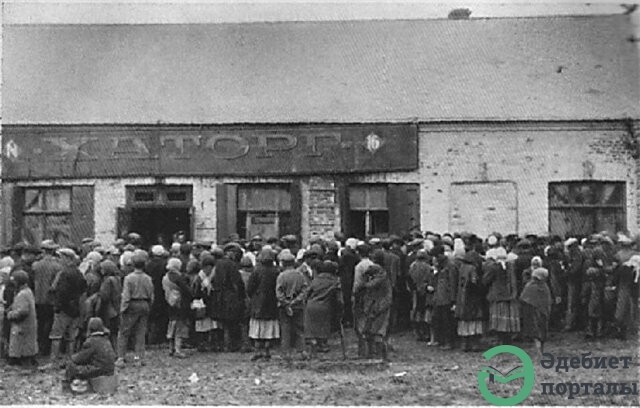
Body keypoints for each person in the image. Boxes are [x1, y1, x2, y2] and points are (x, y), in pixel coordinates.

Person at [47, 248, 87, 369]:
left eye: (61, 257)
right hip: (75, 308)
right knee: (71, 337)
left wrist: (58, 306)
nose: (59, 260)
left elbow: (61, 292)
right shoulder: (78, 272)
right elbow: (83, 290)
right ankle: (70, 360)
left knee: (56, 336)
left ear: (67, 258)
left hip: (63, 309)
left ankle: (53, 361)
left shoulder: (64, 273)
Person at [116, 251, 154, 367]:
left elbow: (126, 295)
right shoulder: (148, 278)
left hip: (132, 304)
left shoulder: (129, 278)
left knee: (124, 332)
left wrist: (123, 308)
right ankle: (138, 358)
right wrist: (149, 305)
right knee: (140, 333)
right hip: (144, 304)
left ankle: (121, 358)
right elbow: (151, 294)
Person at [355, 249, 393, 360]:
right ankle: (371, 353)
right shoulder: (381, 273)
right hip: (374, 305)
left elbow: (372, 284)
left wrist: (363, 285)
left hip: (380, 305)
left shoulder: (381, 274)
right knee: (369, 331)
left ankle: (380, 355)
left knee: (378, 332)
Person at [62, 317, 116, 392]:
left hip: (99, 370)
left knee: (71, 365)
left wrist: (70, 359)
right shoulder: (106, 339)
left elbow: (79, 358)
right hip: (109, 370)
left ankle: (69, 389)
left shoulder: (91, 341)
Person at [303, 260, 343, 358]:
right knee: (323, 326)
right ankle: (323, 344)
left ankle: (314, 345)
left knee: (312, 327)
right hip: (325, 306)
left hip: (311, 305)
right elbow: (339, 299)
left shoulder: (316, 280)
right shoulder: (335, 281)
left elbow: (307, 293)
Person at [246, 248, 280, 361]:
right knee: (269, 328)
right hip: (271, 303)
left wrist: (253, 296)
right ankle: (266, 351)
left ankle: (257, 351)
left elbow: (250, 288)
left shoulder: (256, 271)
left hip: (258, 303)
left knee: (257, 328)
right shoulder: (276, 271)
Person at [211, 245, 246, 352]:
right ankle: (230, 344)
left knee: (224, 323)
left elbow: (213, 280)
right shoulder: (232, 265)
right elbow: (238, 282)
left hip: (219, 296)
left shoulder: (218, 264)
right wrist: (242, 295)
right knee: (232, 322)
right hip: (231, 296)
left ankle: (224, 344)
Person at [482, 247, 520, 345]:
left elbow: (485, 281)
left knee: (499, 320)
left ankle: (501, 339)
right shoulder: (511, 266)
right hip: (510, 296)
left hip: (497, 296)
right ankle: (508, 339)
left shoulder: (494, 267)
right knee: (507, 319)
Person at [276, 249, 309, 362]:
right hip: (298, 305)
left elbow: (279, 292)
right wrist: (296, 301)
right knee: (299, 328)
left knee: (285, 329)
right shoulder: (300, 275)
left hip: (284, 307)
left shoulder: (281, 276)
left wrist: (286, 303)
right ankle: (301, 351)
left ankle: (286, 353)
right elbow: (304, 290)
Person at [32, 240, 62, 357]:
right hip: (50, 299)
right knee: (49, 323)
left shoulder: (36, 265)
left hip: (37, 298)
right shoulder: (57, 266)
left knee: (39, 323)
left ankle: (39, 346)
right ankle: (46, 348)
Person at [455, 251, 487, 352]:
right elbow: (474, 283)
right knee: (473, 319)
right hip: (471, 297)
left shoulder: (462, 267)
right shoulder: (472, 269)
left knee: (463, 320)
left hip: (461, 296)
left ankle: (464, 344)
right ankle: (474, 344)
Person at [6, 270, 38, 367]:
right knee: (27, 350)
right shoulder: (28, 291)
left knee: (22, 351)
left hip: (22, 327)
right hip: (28, 326)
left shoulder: (22, 294)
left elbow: (23, 311)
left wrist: (10, 314)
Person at [162, 258, 193, 358]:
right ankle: (178, 349)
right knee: (179, 326)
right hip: (180, 303)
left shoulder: (166, 277)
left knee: (171, 324)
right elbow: (186, 290)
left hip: (170, 302)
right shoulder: (178, 277)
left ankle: (171, 348)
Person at [519, 267, 552, 358]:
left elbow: (523, 298)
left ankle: (539, 352)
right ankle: (540, 351)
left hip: (533, 313)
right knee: (541, 332)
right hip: (541, 313)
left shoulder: (530, 286)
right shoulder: (545, 287)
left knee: (536, 333)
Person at [432, 245, 458, 350]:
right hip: (439, 298)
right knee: (439, 320)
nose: (435, 259)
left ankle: (449, 342)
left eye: (436, 256)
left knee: (447, 321)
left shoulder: (450, 266)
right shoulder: (440, 266)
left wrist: (453, 300)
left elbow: (453, 283)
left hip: (447, 298)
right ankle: (442, 340)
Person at [192, 254, 220, 352]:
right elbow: (195, 292)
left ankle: (212, 343)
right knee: (201, 325)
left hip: (211, 304)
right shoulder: (199, 278)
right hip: (202, 303)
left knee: (212, 325)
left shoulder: (213, 276)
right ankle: (202, 344)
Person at [352, 243, 374, 357]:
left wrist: (354, 294)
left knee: (360, 322)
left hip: (361, 294)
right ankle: (370, 349)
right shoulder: (372, 264)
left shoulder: (359, 266)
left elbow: (358, 283)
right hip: (371, 294)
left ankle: (363, 351)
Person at [407, 249, 433, 342]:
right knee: (424, 311)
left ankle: (417, 332)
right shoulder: (428, 267)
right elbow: (430, 279)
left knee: (416, 310)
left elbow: (409, 278)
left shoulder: (412, 266)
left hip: (415, 290)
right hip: (425, 290)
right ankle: (424, 332)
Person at [146, 245, 169, 345]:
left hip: (151, 290)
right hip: (162, 291)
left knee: (151, 316)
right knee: (162, 315)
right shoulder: (165, 264)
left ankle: (151, 338)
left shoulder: (148, 265)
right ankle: (161, 337)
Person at [97, 260, 121, 349]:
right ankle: (116, 351)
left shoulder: (107, 281)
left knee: (109, 331)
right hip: (117, 308)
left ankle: (110, 350)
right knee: (115, 332)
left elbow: (104, 296)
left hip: (109, 309)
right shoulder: (117, 279)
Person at [338, 238, 359, 327]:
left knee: (346, 300)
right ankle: (349, 319)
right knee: (349, 301)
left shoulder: (344, 255)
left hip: (345, 279)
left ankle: (347, 319)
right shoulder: (351, 256)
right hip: (349, 279)